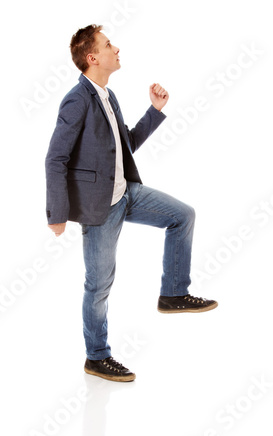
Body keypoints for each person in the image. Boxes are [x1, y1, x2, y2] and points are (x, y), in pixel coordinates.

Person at [45, 24, 218, 382]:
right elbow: (55, 159)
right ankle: (96, 356)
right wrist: (57, 213)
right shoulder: (77, 100)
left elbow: (125, 146)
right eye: (109, 45)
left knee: (183, 215)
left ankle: (173, 293)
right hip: (99, 209)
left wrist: (154, 111)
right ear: (92, 58)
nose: (117, 49)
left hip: (127, 194)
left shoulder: (108, 96)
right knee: (99, 285)